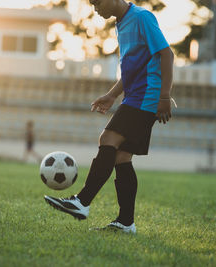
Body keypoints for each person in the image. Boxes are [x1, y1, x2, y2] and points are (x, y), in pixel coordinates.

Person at [44, 0, 175, 234]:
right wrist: (112, 95)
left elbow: (167, 54)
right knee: (122, 157)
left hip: (146, 96)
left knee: (107, 139)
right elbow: (133, 69)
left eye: (98, 2)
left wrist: (164, 96)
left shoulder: (142, 18)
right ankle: (126, 223)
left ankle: (82, 202)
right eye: (93, 5)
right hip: (135, 96)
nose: (97, 9)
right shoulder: (122, 23)